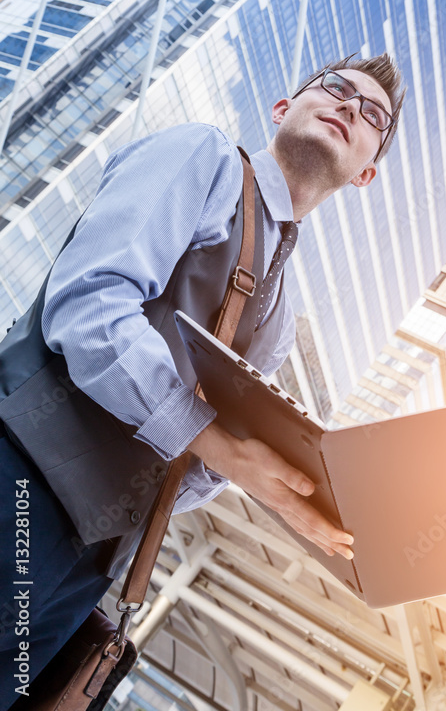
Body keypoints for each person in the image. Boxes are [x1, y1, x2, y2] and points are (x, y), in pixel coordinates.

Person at [0, 51, 405, 704]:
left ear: (366, 172)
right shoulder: (204, 158)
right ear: (282, 109)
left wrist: (278, 484)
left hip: (88, 562)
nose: (349, 107)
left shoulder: (277, 318)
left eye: (372, 116)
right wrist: (220, 446)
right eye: (335, 88)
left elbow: (193, 480)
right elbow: (87, 306)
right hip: (20, 480)